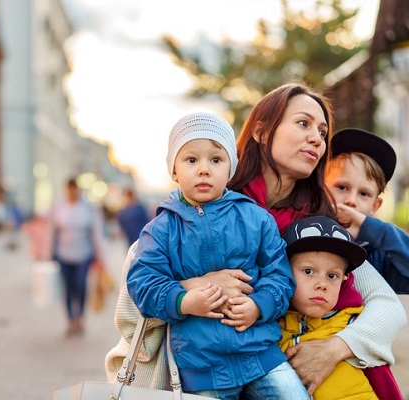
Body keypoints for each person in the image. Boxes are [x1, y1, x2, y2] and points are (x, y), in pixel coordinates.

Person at [106, 82, 407, 395]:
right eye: (303, 123)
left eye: (322, 131)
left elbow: (387, 306)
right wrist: (195, 287)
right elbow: (134, 297)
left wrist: (334, 349)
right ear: (263, 132)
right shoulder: (193, 209)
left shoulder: (316, 225)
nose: (316, 138)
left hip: (272, 363)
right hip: (201, 369)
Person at [126, 111, 308, 399]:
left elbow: (280, 276)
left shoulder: (256, 219)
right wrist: (184, 301)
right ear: (174, 170)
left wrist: (258, 306)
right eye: (191, 160)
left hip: (261, 356)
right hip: (201, 369)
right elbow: (143, 283)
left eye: (216, 159)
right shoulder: (160, 229)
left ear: (230, 169)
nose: (204, 169)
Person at [279, 215, 400, 399]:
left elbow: (385, 386)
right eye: (308, 271)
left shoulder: (355, 327)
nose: (322, 284)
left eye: (332, 276)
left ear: (344, 280)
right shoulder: (269, 330)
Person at [325, 128, 409, 295]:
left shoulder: (379, 256)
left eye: (364, 194)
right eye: (341, 187)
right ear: (322, 187)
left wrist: (379, 232)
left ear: (375, 206)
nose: (351, 200)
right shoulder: (302, 230)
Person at [47, 178, 106, 337]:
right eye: (70, 189)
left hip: (83, 254)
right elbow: (52, 232)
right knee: (67, 287)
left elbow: (96, 233)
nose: (72, 192)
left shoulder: (87, 208)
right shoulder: (59, 208)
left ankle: (79, 317)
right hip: (63, 254)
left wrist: (101, 257)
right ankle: (70, 320)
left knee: (80, 286)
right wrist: (48, 254)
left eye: (75, 189)